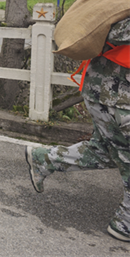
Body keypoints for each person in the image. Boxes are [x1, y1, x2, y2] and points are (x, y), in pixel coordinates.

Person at [25, 16, 130, 242]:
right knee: (124, 153)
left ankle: (45, 159)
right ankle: (126, 223)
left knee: (103, 150)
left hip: (105, 91)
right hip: (118, 96)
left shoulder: (118, 10)